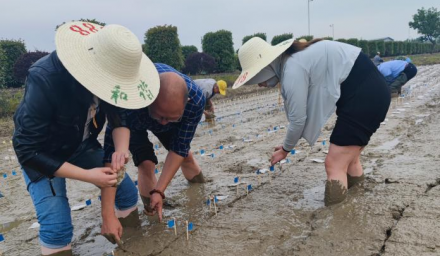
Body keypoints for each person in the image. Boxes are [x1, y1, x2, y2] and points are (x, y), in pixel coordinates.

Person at [12, 22, 160, 256]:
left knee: (127, 194)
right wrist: (89, 176)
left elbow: (119, 118)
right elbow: (26, 149)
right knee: (57, 228)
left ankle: (131, 245)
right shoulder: (46, 78)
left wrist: (120, 149)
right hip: (42, 152)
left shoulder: (113, 74)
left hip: (81, 144)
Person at [233, 37, 391, 206]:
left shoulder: (292, 68)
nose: (259, 84)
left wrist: (286, 149)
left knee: (334, 164)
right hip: (373, 92)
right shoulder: (297, 58)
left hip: (363, 98)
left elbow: (298, 120)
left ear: (266, 67)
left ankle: (337, 221)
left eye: (257, 77)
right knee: (349, 160)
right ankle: (354, 204)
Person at [102, 63, 206, 225]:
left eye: (171, 118)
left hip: (163, 113)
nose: (164, 123)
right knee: (145, 163)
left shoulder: (196, 101)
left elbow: (179, 148)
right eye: (160, 117)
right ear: (148, 100)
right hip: (136, 121)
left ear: (186, 103)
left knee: (186, 156)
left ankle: (200, 189)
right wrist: (107, 214)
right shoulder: (128, 101)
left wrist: (160, 189)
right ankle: (152, 211)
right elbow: (109, 152)